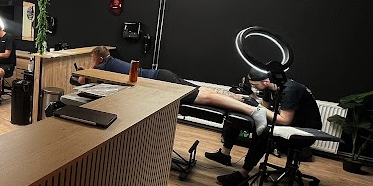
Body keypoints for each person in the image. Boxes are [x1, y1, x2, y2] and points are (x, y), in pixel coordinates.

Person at [79, 46, 269, 134]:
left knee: (205, 98)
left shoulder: (103, 65)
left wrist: (86, 69)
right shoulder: (112, 61)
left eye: (93, 59)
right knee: (204, 92)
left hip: (161, 83)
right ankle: (242, 99)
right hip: (163, 74)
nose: (93, 62)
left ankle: (253, 111)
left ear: (98, 59)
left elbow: (81, 78)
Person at [215, 71, 322, 186]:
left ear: (265, 81)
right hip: (291, 125)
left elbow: (285, 120)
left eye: (254, 85)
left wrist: (256, 106)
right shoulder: (269, 88)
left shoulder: (289, 90)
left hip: (304, 131)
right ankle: (224, 155)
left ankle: (243, 175)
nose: (253, 87)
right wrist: (250, 98)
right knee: (238, 117)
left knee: (263, 133)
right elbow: (264, 108)